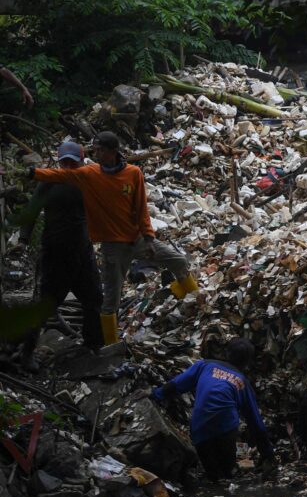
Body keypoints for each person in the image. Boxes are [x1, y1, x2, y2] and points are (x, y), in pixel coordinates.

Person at [28, 131, 198, 346]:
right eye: (94, 149)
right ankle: (110, 346)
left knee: (179, 261)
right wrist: (31, 172)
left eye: (99, 150)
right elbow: (56, 175)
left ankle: (196, 307)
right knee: (109, 301)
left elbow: (141, 209)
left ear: (112, 151)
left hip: (134, 240)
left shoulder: (133, 173)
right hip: (105, 247)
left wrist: (148, 237)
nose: (95, 153)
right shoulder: (89, 174)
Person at [12, 142, 102, 371]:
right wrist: (23, 241)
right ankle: (26, 353)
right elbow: (31, 211)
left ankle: (93, 346)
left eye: (74, 162)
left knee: (93, 299)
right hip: (56, 254)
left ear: (82, 161)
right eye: (66, 162)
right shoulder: (49, 182)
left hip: (83, 252)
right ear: (59, 161)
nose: (70, 166)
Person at [150, 338, 276, 482]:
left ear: (226, 353)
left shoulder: (205, 365)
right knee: (227, 474)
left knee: (212, 475)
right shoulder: (242, 382)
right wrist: (268, 455)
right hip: (225, 430)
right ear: (247, 362)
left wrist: (154, 394)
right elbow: (255, 422)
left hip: (200, 428)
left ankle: (213, 478)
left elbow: (176, 385)